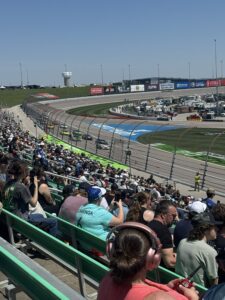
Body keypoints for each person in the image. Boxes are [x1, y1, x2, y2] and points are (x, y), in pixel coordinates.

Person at [98, 222, 199, 300]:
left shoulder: (108, 278)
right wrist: (194, 298)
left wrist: (165, 288)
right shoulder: (158, 298)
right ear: (153, 258)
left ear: (111, 250)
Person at [2, 160, 58, 237]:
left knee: (40, 216)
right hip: (21, 222)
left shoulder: (8, 184)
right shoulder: (21, 187)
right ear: (23, 172)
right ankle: (51, 245)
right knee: (53, 221)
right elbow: (34, 203)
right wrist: (35, 185)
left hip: (9, 219)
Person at [175, 212, 222, 288]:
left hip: (179, 286)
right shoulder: (210, 251)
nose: (217, 229)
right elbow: (214, 281)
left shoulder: (182, 242)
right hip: (197, 292)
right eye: (215, 227)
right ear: (206, 230)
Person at [148, 200, 177, 268]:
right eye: (173, 215)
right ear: (163, 215)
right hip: (156, 273)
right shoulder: (164, 232)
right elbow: (170, 263)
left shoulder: (149, 224)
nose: (175, 218)